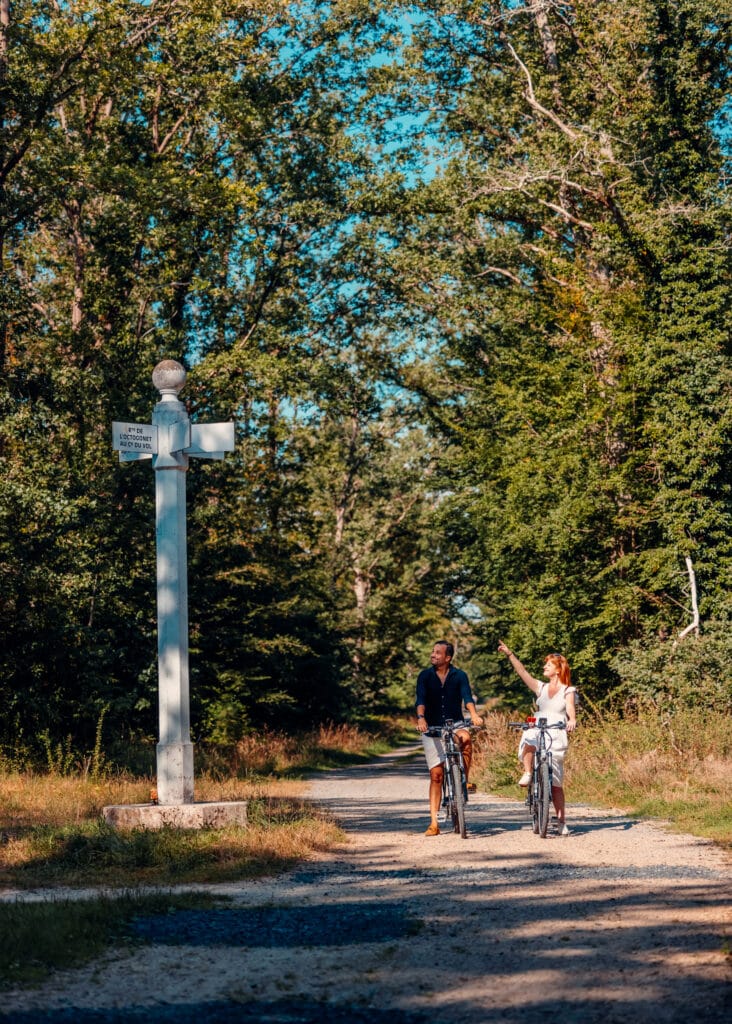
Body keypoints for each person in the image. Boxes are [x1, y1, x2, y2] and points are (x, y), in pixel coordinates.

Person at [497, 641, 576, 836]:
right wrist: (510, 654)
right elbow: (522, 672)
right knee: (529, 741)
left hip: (556, 729)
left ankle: (561, 822)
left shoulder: (568, 690)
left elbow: (570, 707)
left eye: (548, 665)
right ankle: (528, 772)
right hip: (538, 724)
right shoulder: (540, 687)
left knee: (556, 785)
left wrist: (572, 720)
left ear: (558, 670)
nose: (544, 667)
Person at [416, 640, 483, 836]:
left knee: (466, 738)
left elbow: (467, 697)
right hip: (432, 727)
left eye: (438, 652)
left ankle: (464, 781)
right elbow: (420, 699)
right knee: (436, 776)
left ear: (447, 657)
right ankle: (434, 823)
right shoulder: (425, 676)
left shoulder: (459, 675)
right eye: (433, 651)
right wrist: (421, 718)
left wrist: (474, 714)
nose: (433, 654)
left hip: (455, 724)